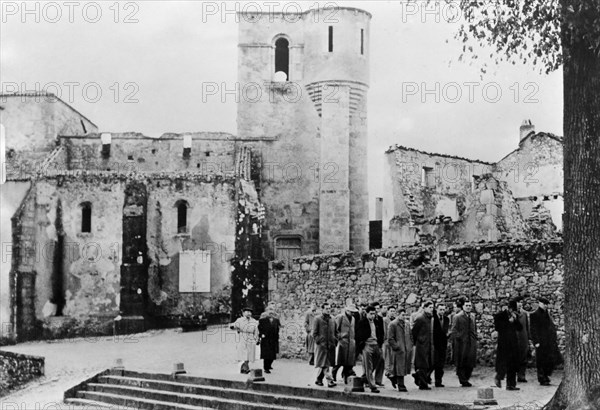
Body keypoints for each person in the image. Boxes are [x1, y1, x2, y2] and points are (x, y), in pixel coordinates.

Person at [530, 297, 563, 386]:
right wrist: (536, 341)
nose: (545, 306)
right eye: (544, 304)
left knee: (548, 359)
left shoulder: (546, 314)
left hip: (548, 341)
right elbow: (533, 329)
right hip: (540, 342)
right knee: (541, 360)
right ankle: (542, 377)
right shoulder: (535, 315)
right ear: (540, 304)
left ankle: (546, 375)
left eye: (546, 304)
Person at [493, 300, 523, 390]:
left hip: (513, 343)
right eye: (513, 310)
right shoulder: (499, 315)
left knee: (512, 364)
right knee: (503, 363)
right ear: (509, 309)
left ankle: (511, 385)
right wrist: (508, 322)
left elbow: (520, 328)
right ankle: (498, 377)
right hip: (504, 344)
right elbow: (497, 327)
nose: (514, 312)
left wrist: (515, 320)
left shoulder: (515, 316)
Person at [451, 299, 478, 387]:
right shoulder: (457, 317)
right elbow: (454, 330)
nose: (468, 307)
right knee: (461, 361)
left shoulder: (473, 316)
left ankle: (466, 378)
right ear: (463, 307)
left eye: (470, 306)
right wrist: (459, 338)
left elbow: (474, 329)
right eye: (466, 305)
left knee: (470, 361)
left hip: (471, 342)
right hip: (461, 343)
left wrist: (475, 337)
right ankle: (463, 380)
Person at [356, 305, 382, 393]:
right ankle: (372, 386)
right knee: (368, 365)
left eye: (374, 314)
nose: (373, 316)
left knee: (379, 360)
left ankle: (364, 378)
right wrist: (361, 346)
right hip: (367, 344)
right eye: (371, 314)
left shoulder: (377, 322)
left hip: (376, 344)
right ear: (366, 313)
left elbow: (381, 333)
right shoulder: (362, 322)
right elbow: (358, 336)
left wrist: (380, 343)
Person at [387, 307, 413, 392]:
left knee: (403, 367)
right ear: (398, 315)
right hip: (398, 350)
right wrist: (396, 346)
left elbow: (410, 335)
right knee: (399, 368)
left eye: (405, 315)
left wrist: (410, 344)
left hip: (406, 349)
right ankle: (401, 385)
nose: (404, 316)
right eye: (402, 315)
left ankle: (392, 377)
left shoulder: (407, 324)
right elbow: (390, 338)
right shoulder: (393, 324)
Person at [312, 302, 337, 387]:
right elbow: (314, 333)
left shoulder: (333, 319)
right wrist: (319, 341)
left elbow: (336, 331)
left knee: (324, 363)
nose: (328, 310)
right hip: (322, 345)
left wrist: (335, 340)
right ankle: (330, 381)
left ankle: (318, 379)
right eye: (326, 308)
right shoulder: (317, 319)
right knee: (325, 363)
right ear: (322, 309)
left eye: (329, 308)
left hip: (330, 345)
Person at [411, 300, 434, 390]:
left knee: (430, 364)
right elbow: (414, 332)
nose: (431, 309)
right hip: (422, 345)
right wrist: (420, 340)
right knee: (423, 364)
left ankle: (418, 376)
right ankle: (423, 384)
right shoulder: (420, 318)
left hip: (429, 344)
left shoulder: (430, 318)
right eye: (429, 307)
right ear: (424, 308)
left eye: (432, 308)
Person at [332, 303, 357, 384]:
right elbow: (336, 328)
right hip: (342, 341)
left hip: (351, 342)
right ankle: (334, 374)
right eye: (351, 312)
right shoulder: (340, 317)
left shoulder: (353, 318)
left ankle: (346, 377)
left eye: (353, 312)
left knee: (348, 363)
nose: (352, 313)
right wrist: (339, 337)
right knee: (339, 361)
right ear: (347, 310)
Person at [230, 307, 259, 374]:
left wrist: (257, 339)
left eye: (250, 312)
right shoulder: (240, 320)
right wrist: (233, 327)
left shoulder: (254, 321)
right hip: (243, 336)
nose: (249, 313)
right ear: (243, 313)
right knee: (243, 353)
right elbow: (234, 326)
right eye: (247, 312)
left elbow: (256, 331)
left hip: (251, 337)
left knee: (250, 354)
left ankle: (244, 368)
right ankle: (246, 368)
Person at [258, 305, 281, 374]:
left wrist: (277, 337)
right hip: (266, 339)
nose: (271, 312)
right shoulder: (262, 320)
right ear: (266, 312)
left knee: (273, 354)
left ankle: (269, 365)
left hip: (273, 339)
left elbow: (278, 329)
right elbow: (259, 328)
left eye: (272, 310)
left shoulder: (276, 320)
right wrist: (261, 335)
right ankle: (266, 367)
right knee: (266, 354)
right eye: (269, 310)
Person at [433, 302, 450, 387]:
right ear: (436, 309)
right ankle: (424, 378)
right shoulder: (433, 318)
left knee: (440, 364)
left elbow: (445, 331)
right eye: (440, 309)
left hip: (443, 344)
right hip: (434, 344)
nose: (442, 311)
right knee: (433, 363)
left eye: (443, 310)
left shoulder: (446, 319)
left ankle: (438, 381)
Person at [514, 296, 531, 382]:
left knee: (523, 358)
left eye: (521, 302)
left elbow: (527, 327)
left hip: (523, 338)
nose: (520, 304)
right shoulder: (511, 313)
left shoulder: (525, 314)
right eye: (518, 302)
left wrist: (528, 338)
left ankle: (521, 375)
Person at [372, 302, 386, 387]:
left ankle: (378, 380)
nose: (377, 310)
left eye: (378, 309)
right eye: (375, 309)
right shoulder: (369, 318)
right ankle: (366, 379)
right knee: (370, 363)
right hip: (370, 343)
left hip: (378, 343)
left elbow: (381, 332)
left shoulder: (380, 319)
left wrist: (381, 342)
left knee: (381, 360)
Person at [383, 305, 397, 381]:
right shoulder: (385, 320)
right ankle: (388, 372)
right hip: (387, 341)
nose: (392, 313)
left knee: (393, 358)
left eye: (394, 311)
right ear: (388, 312)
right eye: (391, 311)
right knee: (387, 358)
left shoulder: (396, 320)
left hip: (394, 342)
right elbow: (384, 331)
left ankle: (391, 372)